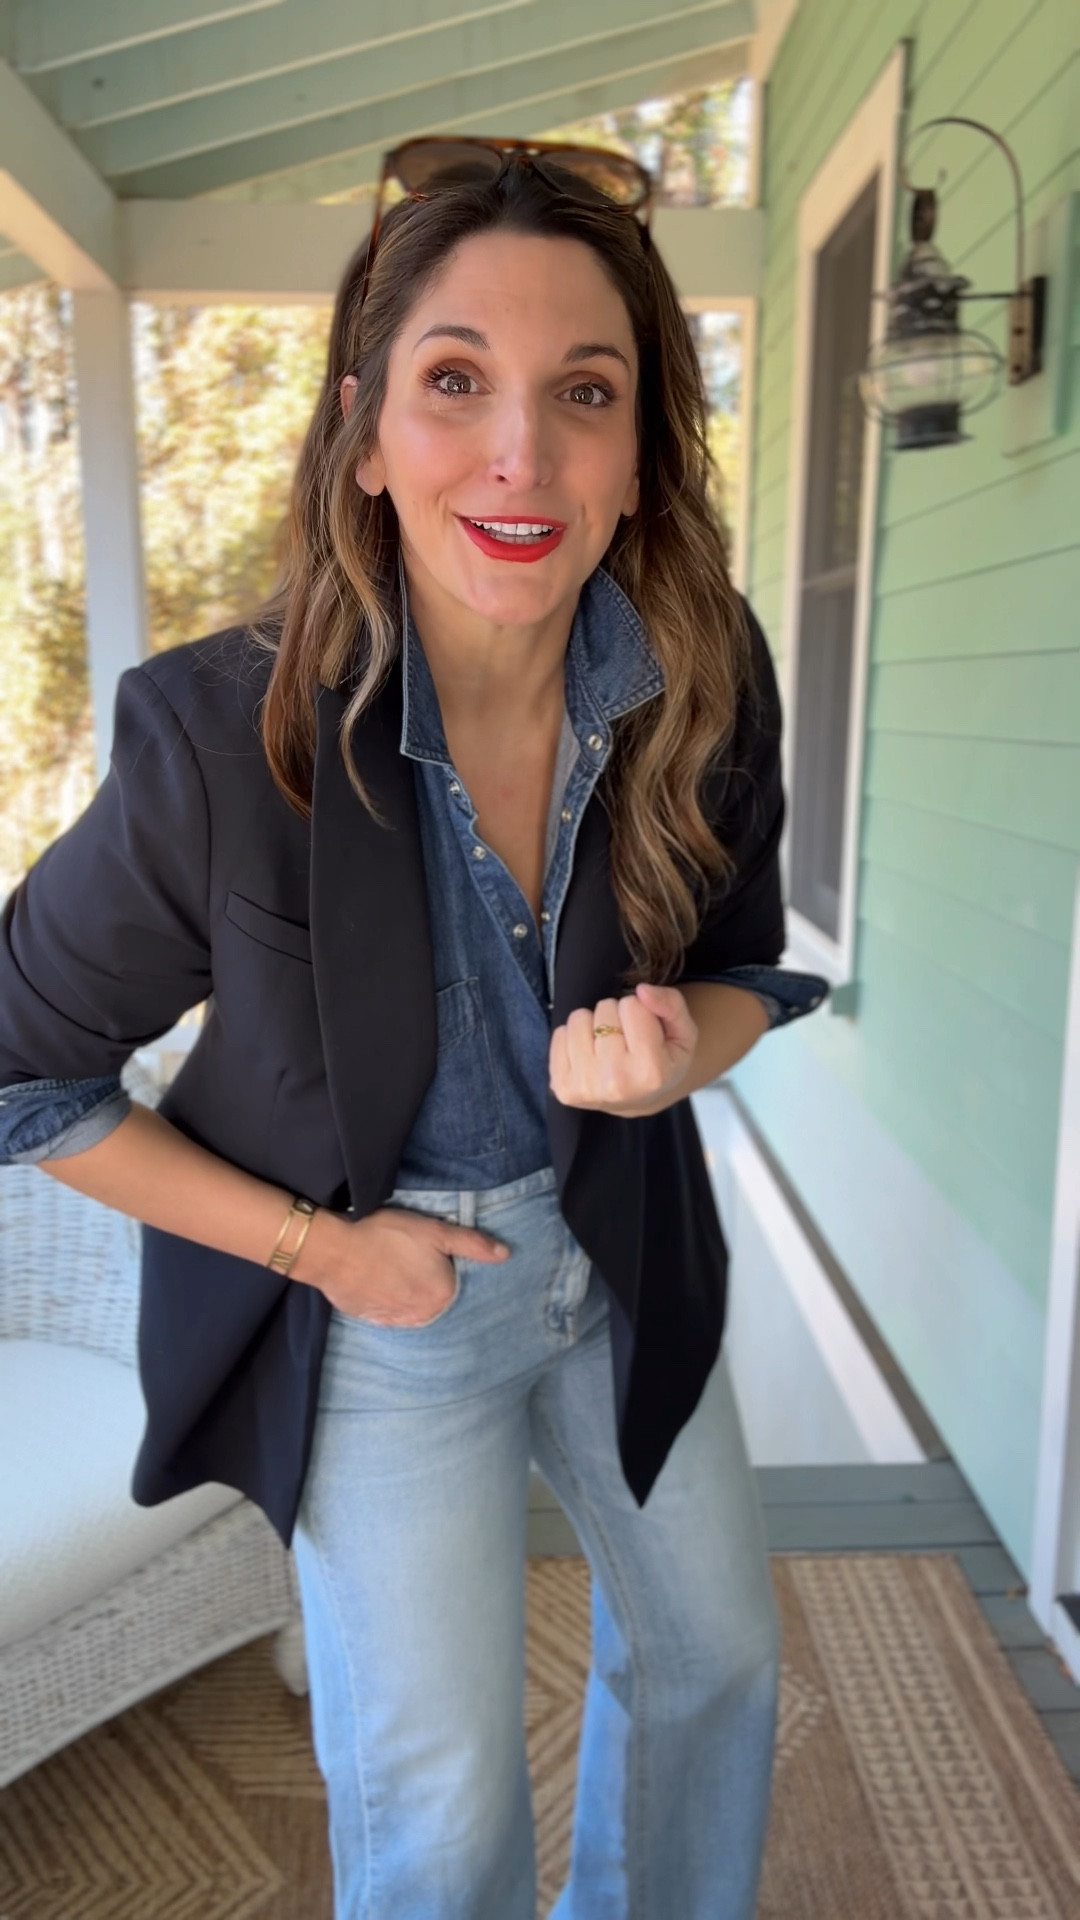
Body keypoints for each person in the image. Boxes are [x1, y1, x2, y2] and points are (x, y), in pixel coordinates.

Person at [0, 137, 830, 1919]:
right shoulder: (213, 741)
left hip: (627, 1249)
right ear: (364, 436)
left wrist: (683, 1046)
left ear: (639, 456)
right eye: (456, 381)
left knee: (717, 1666)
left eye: (583, 391)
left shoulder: (703, 673)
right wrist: (319, 1253)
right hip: (382, 1309)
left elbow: (749, 967)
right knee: (443, 1813)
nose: (521, 452)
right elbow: (21, 1079)